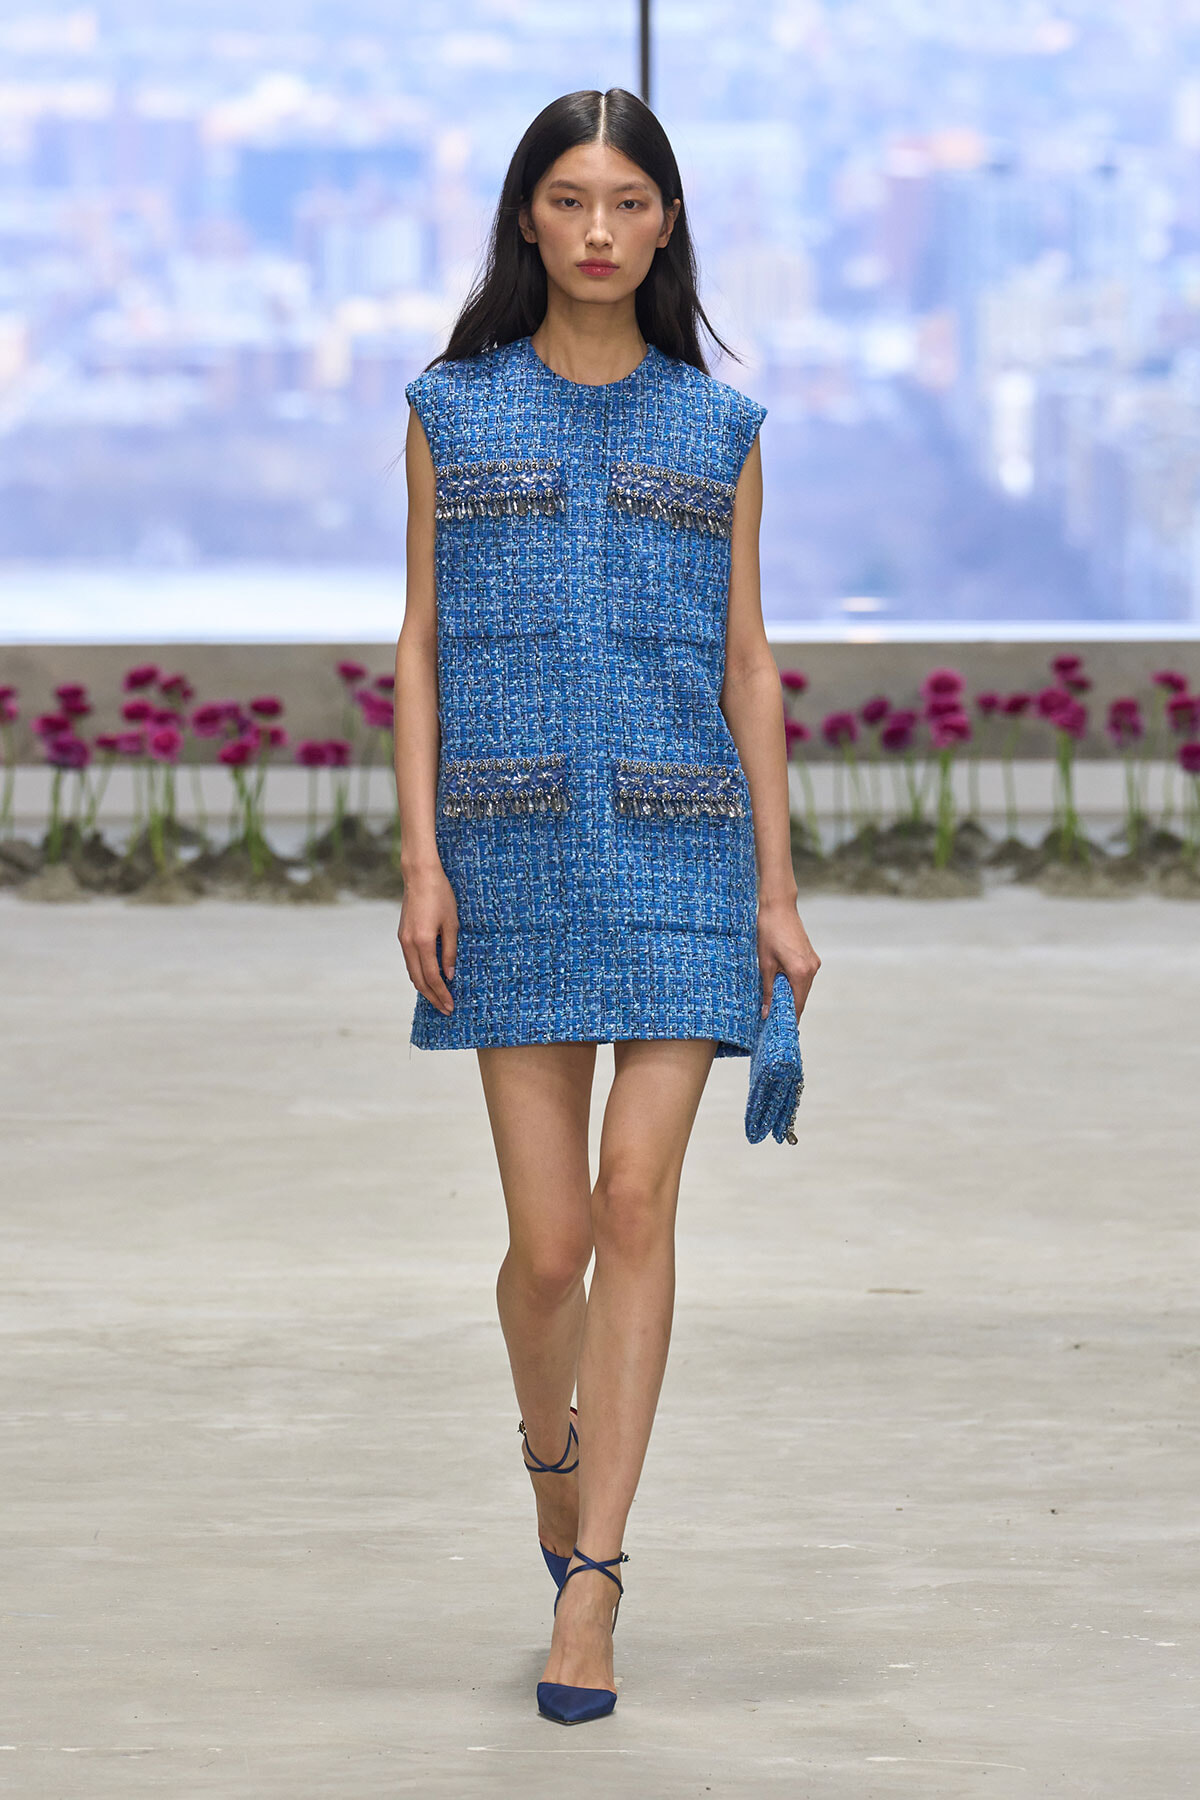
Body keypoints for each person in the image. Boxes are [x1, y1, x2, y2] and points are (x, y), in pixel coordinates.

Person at [392, 87, 820, 1726]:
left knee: (637, 1203)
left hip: (685, 853)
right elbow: (421, 643)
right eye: (565, 200)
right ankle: (550, 1458)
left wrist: (778, 895)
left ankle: (596, 1581)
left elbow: (747, 661)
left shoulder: (721, 431)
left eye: (624, 203)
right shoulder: (449, 409)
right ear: (526, 220)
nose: (593, 230)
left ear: (663, 225)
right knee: (550, 1244)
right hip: (502, 858)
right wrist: (421, 857)